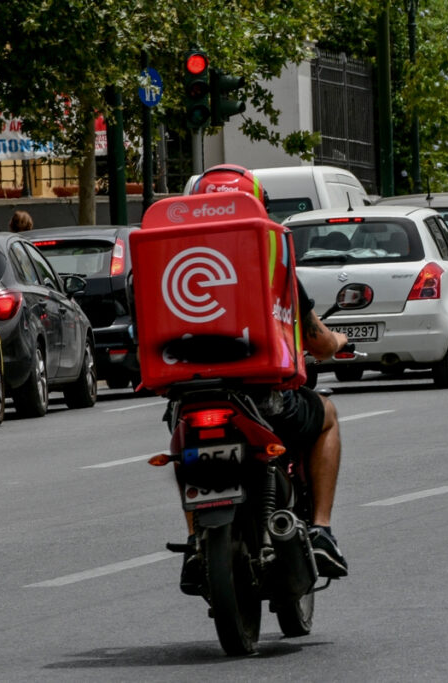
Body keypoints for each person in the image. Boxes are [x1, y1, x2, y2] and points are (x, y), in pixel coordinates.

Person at [178, 164, 350, 592]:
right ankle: (322, 530)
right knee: (326, 415)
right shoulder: (270, 257)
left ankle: (195, 542)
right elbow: (318, 342)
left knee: (186, 450)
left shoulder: (171, 260)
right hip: (264, 400)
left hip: (191, 400)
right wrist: (338, 340)